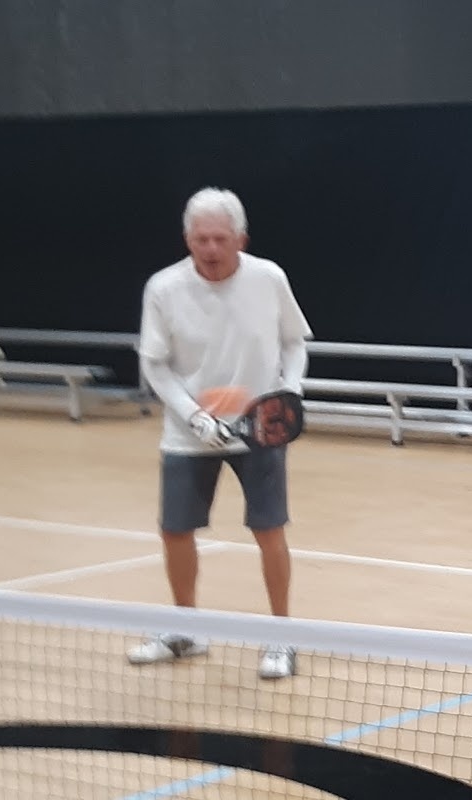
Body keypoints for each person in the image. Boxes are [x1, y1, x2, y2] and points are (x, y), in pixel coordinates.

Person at [127, 187, 313, 680]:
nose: (210, 249)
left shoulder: (268, 278)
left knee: (268, 530)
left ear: (241, 239)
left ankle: (282, 638)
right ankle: (186, 629)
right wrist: (194, 417)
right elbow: (156, 366)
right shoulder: (163, 288)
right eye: (200, 239)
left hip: (260, 432)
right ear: (187, 238)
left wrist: (285, 396)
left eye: (220, 239)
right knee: (175, 531)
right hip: (189, 433)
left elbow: (294, 344)